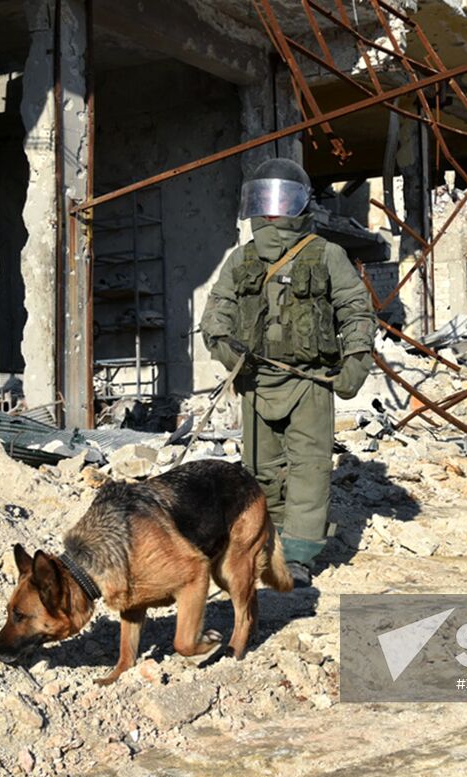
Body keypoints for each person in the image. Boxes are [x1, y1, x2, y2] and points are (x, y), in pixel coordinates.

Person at [201, 158, 375, 587]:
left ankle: (298, 554)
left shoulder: (327, 254)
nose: (272, 211)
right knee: (259, 469)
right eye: (264, 200)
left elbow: (355, 309)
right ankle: (266, 544)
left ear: (300, 205)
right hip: (256, 382)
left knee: (309, 470)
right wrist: (225, 347)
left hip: (309, 381)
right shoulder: (241, 259)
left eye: (281, 201)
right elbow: (217, 311)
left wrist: (356, 360)